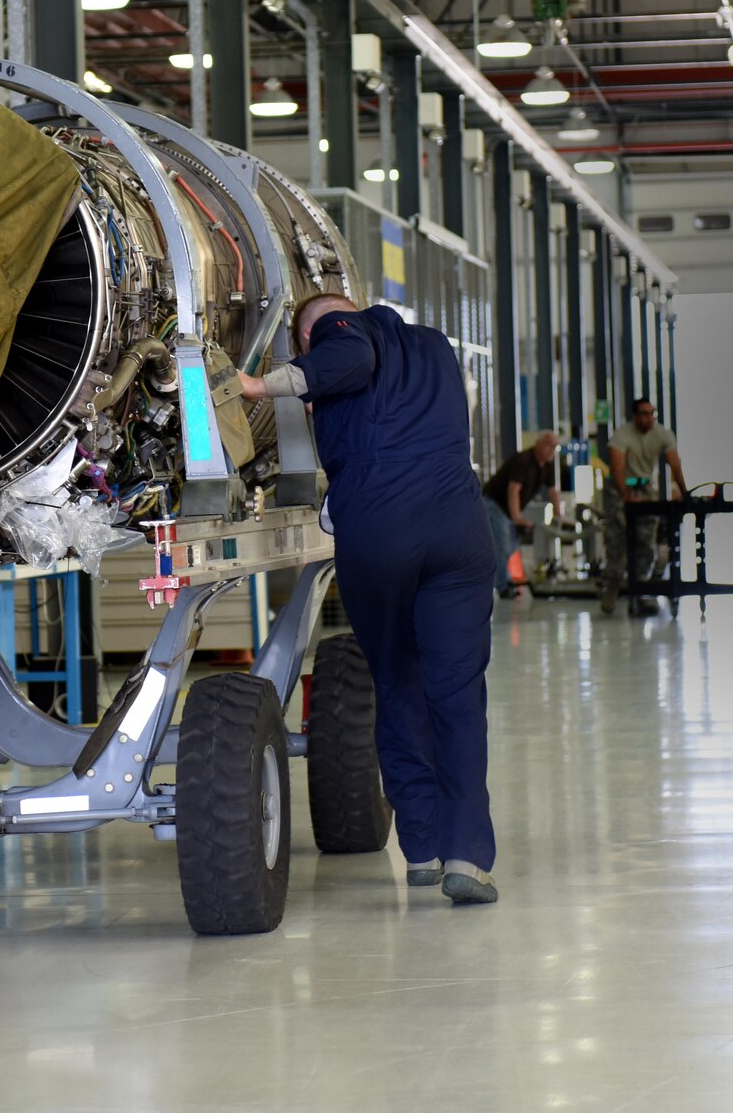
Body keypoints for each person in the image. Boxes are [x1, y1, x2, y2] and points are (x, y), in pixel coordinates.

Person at [239, 294, 499, 905]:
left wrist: (260, 385)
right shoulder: (435, 346)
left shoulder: (343, 338)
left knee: (398, 685)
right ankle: (468, 857)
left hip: (383, 534)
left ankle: (423, 849)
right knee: (458, 700)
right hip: (460, 535)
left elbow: (348, 358)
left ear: (314, 333)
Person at [601, 398, 689, 616]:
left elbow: (674, 464)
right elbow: (618, 467)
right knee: (617, 541)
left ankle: (640, 589)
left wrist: (685, 493)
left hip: (645, 487)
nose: (648, 418)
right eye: (643, 413)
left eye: (652, 413)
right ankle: (612, 586)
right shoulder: (622, 436)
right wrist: (626, 496)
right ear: (634, 415)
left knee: (647, 542)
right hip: (619, 489)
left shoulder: (663, 434)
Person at [482, 431, 558, 598]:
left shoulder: (547, 465)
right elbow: (513, 489)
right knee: (502, 546)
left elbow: (553, 491)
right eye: (547, 444)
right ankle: (502, 586)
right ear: (538, 443)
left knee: (511, 546)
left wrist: (559, 514)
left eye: (554, 446)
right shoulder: (523, 460)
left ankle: (505, 580)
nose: (550, 449)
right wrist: (517, 517)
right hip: (495, 504)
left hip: (508, 509)